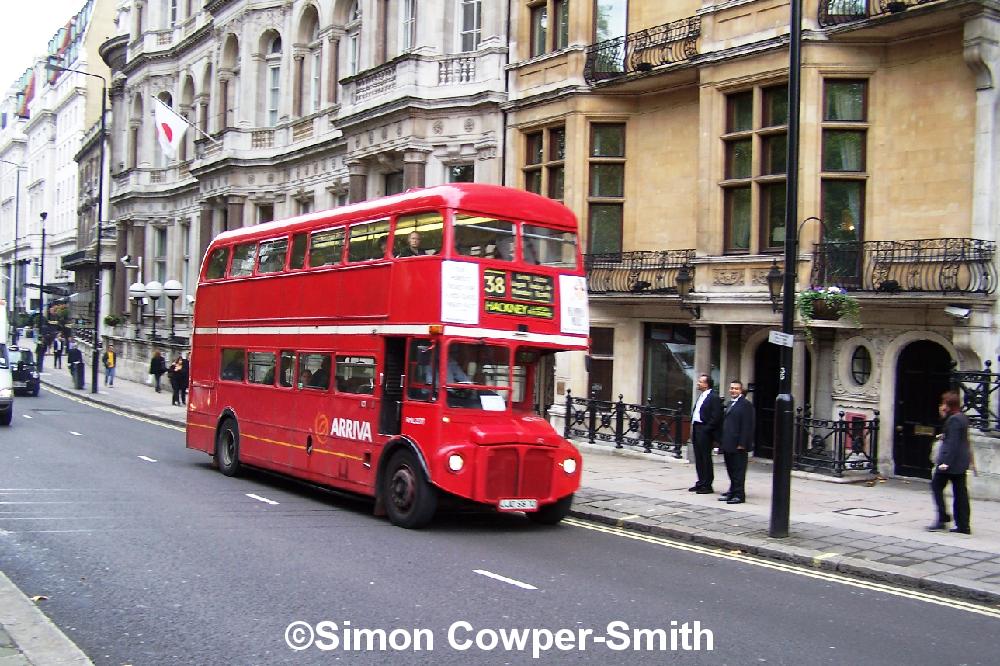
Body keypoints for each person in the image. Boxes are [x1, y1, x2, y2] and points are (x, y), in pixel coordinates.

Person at [928, 390, 972, 534]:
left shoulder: (953, 420)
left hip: (950, 463)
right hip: (960, 462)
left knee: (936, 486)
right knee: (960, 492)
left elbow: (952, 443)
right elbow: (958, 439)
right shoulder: (961, 417)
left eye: (943, 403)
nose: (941, 406)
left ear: (948, 405)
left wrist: (945, 462)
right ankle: (963, 525)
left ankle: (943, 518)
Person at [718, 380, 754, 505]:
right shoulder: (729, 404)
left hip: (738, 444)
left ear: (741, 390)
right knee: (731, 469)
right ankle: (732, 491)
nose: (733, 390)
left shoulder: (745, 405)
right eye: (732, 388)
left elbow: (747, 425)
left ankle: (739, 494)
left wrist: (742, 443)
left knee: (738, 470)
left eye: (736, 389)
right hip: (728, 442)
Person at [689, 374, 723, 494]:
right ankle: (701, 482)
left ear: (706, 384)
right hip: (696, 428)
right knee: (698, 457)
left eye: (700, 381)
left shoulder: (713, 397)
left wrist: (707, 429)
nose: (698, 383)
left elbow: (716, 416)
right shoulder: (701, 396)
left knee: (705, 457)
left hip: (704, 429)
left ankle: (707, 484)